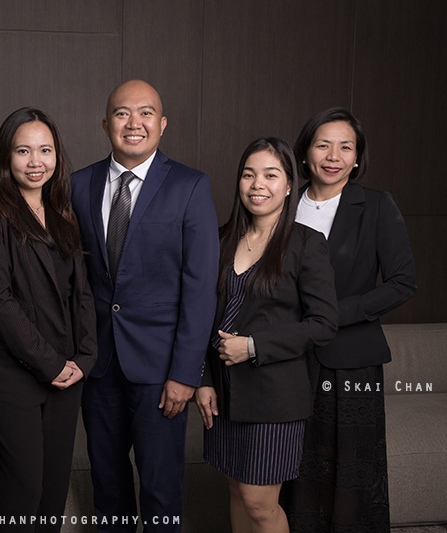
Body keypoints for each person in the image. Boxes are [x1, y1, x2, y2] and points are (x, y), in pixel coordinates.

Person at [70, 79, 219, 531]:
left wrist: (185, 373)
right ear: (105, 123)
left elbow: (200, 287)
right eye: (121, 113)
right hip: (98, 367)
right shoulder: (77, 184)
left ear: (162, 124)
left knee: (160, 489)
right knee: (108, 487)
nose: (133, 123)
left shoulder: (191, 186)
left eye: (146, 113)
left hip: (161, 373)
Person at [195, 137, 339, 533]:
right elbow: (203, 315)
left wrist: (255, 346)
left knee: (260, 503)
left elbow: (324, 323)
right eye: (248, 174)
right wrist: (203, 381)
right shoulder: (221, 239)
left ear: (289, 184)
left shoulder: (306, 244)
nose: (257, 184)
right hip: (223, 393)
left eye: (270, 175)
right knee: (237, 492)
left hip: (274, 398)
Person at [283, 108, 417, 532]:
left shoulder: (375, 205)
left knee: (351, 474)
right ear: (305, 151)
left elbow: (402, 283)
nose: (333, 155)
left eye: (346, 146)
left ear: (357, 158)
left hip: (351, 360)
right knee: (294, 465)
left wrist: (332, 316)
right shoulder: (281, 202)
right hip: (288, 358)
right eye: (323, 144)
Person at [0, 108, 97, 531]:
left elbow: (81, 292)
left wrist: (84, 357)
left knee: (52, 493)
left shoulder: (63, 211)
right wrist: (51, 363)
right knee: (21, 494)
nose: (35, 161)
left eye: (45, 150)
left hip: (67, 374)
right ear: (7, 155)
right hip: (12, 374)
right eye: (23, 151)